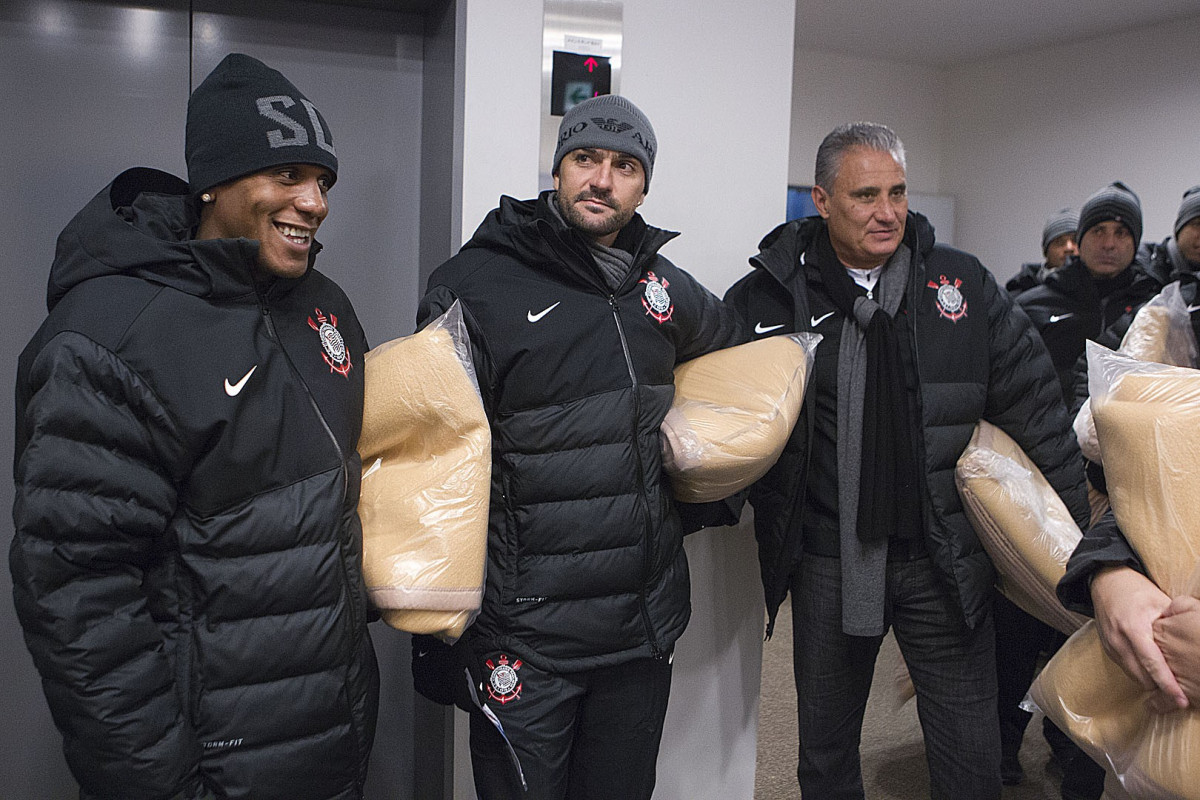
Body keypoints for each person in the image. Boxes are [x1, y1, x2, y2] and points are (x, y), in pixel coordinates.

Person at [10, 54, 378, 800]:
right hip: (210, 768)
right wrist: (160, 783)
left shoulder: (324, 307)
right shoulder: (110, 335)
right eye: (287, 176)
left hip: (330, 746)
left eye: (324, 182)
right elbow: (77, 594)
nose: (315, 203)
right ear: (214, 181)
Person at [724, 122, 1088, 800]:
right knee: (826, 754)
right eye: (865, 195)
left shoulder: (961, 284)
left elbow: (1037, 412)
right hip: (830, 560)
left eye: (897, 192)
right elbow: (724, 420)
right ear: (822, 200)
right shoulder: (771, 298)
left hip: (942, 561)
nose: (887, 212)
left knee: (970, 756)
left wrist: (1088, 551)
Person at [414, 94, 743, 799]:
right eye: (585, 159)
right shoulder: (474, 284)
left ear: (644, 185)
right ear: (558, 169)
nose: (603, 179)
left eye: (625, 166)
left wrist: (706, 471)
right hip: (524, 635)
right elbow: (433, 458)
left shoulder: (661, 285)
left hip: (639, 627)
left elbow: (738, 364)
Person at [1017, 182, 1167, 403]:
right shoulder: (1032, 307)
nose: (1108, 244)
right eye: (1098, 231)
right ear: (1080, 239)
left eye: (1121, 233)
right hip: (1050, 433)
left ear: (1135, 243)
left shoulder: (1154, 309)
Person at [1006, 208, 1079, 296]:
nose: (1069, 248)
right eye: (1059, 242)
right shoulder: (1019, 293)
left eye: (1075, 240)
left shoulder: (1097, 292)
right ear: (1045, 251)